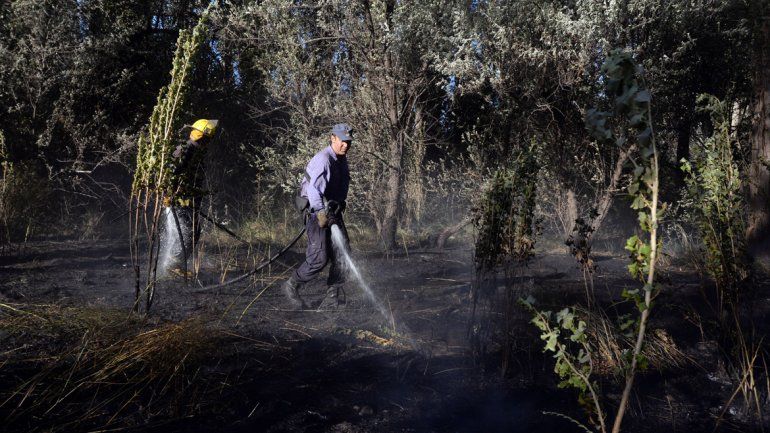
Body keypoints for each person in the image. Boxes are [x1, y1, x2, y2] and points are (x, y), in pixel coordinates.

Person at [283, 123, 352, 310]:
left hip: (331, 210)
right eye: (342, 141)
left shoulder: (341, 160)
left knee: (342, 253)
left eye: (348, 142)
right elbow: (314, 191)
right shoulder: (324, 159)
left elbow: (343, 185)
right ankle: (291, 286)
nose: (345, 145)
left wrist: (340, 202)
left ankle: (333, 297)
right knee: (319, 258)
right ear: (333, 138)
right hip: (316, 211)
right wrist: (321, 214)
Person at [163, 118, 219, 276]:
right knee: (189, 231)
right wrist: (168, 195)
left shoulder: (195, 150)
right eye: (208, 138)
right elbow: (170, 173)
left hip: (189, 199)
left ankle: (176, 264)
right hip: (180, 199)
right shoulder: (186, 150)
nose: (209, 142)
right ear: (203, 136)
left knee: (191, 231)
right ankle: (174, 265)